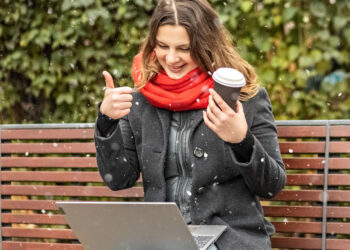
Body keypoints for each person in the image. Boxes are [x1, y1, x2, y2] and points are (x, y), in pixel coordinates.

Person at [94, 0, 286, 249]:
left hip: (227, 240)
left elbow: (271, 186)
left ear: (206, 46)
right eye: (163, 46)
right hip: (160, 241)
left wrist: (241, 140)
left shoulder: (244, 100)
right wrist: (107, 122)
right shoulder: (142, 101)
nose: (171, 58)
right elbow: (119, 179)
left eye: (184, 48)